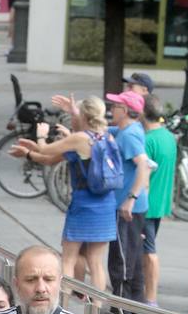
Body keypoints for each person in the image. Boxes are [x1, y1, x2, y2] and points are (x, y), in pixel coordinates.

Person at [13, 95, 115, 293]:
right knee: (96, 262)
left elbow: (46, 150)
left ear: (83, 115)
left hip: (84, 204)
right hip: (106, 204)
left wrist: (41, 134)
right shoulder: (107, 135)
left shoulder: (79, 139)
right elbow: (52, 158)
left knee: (69, 257)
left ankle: (65, 307)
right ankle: (95, 311)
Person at [107, 89, 151, 303]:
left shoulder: (130, 135)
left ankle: (122, 307)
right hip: (131, 205)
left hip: (126, 207)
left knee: (121, 258)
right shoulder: (127, 130)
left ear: (124, 110)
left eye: (114, 106)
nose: (111, 109)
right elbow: (104, 129)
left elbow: (143, 164)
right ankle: (135, 304)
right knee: (131, 253)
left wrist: (130, 198)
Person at [141, 94, 175, 307]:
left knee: (149, 252)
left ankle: (151, 299)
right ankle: (147, 296)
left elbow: (143, 175)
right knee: (146, 251)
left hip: (146, 205)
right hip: (160, 203)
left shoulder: (148, 140)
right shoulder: (168, 137)